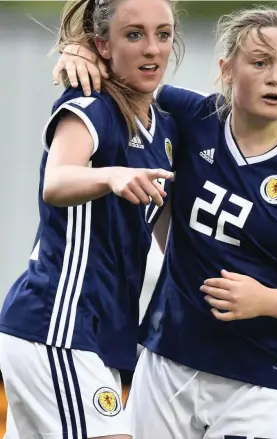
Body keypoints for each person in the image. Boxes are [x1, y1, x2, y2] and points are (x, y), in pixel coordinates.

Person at [50, 5, 277, 439]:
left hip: (261, 381)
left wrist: (265, 299)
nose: (276, 77)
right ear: (227, 69)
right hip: (167, 364)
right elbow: (126, 72)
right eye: (260, 62)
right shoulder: (191, 116)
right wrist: (78, 51)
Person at [0, 0, 183, 437]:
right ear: (102, 44)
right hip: (57, 326)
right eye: (134, 34)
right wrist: (112, 175)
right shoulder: (92, 105)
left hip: (96, 332)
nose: (152, 49)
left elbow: (170, 238)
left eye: (163, 34)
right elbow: (57, 181)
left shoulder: (167, 126)